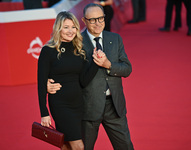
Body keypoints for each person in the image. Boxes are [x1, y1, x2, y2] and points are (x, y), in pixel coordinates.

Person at [47, 3, 134, 150]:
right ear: (84, 20)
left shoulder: (115, 39)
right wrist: (47, 82)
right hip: (87, 108)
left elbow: (127, 69)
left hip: (114, 107)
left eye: (100, 18)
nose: (98, 23)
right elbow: (61, 66)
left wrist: (108, 65)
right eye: (92, 20)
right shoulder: (76, 42)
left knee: (126, 147)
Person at [37, 11, 100, 150]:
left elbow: (83, 81)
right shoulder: (48, 51)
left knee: (65, 144)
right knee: (78, 146)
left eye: (73, 27)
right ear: (58, 28)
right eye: (66, 27)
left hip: (78, 104)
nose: (70, 31)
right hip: (60, 105)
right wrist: (44, 112)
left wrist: (96, 63)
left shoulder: (79, 49)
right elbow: (41, 83)